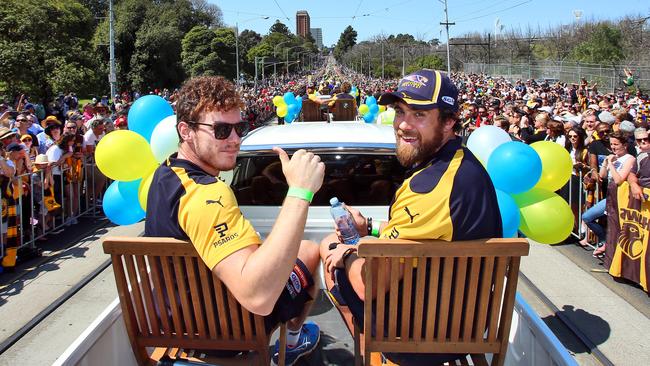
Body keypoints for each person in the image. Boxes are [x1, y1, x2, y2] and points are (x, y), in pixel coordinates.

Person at [319, 69, 502, 365]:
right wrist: (372, 229)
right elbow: (424, 233)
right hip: (465, 323)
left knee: (328, 248)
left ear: (449, 121)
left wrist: (349, 252)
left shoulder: (429, 186)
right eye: (400, 111)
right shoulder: (461, 163)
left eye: (419, 115)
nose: (403, 124)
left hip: (418, 332)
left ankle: (369, 351)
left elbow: (369, 286)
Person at [144, 76, 324, 365]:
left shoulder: (164, 174)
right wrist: (300, 192)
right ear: (185, 131)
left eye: (239, 128)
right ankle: (291, 344)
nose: (235, 140)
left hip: (177, 322)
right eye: (221, 130)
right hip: (228, 327)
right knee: (310, 250)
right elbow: (259, 298)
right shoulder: (208, 195)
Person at [579, 132, 634, 256]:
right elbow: (602, 176)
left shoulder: (629, 159)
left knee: (615, 227)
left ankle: (613, 253)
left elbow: (619, 180)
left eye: (616, 144)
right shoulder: (613, 157)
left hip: (621, 197)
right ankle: (605, 240)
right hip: (609, 196)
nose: (613, 147)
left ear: (624, 145)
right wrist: (605, 163)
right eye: (611, 144)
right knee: (587, 217)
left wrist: (611, 165)